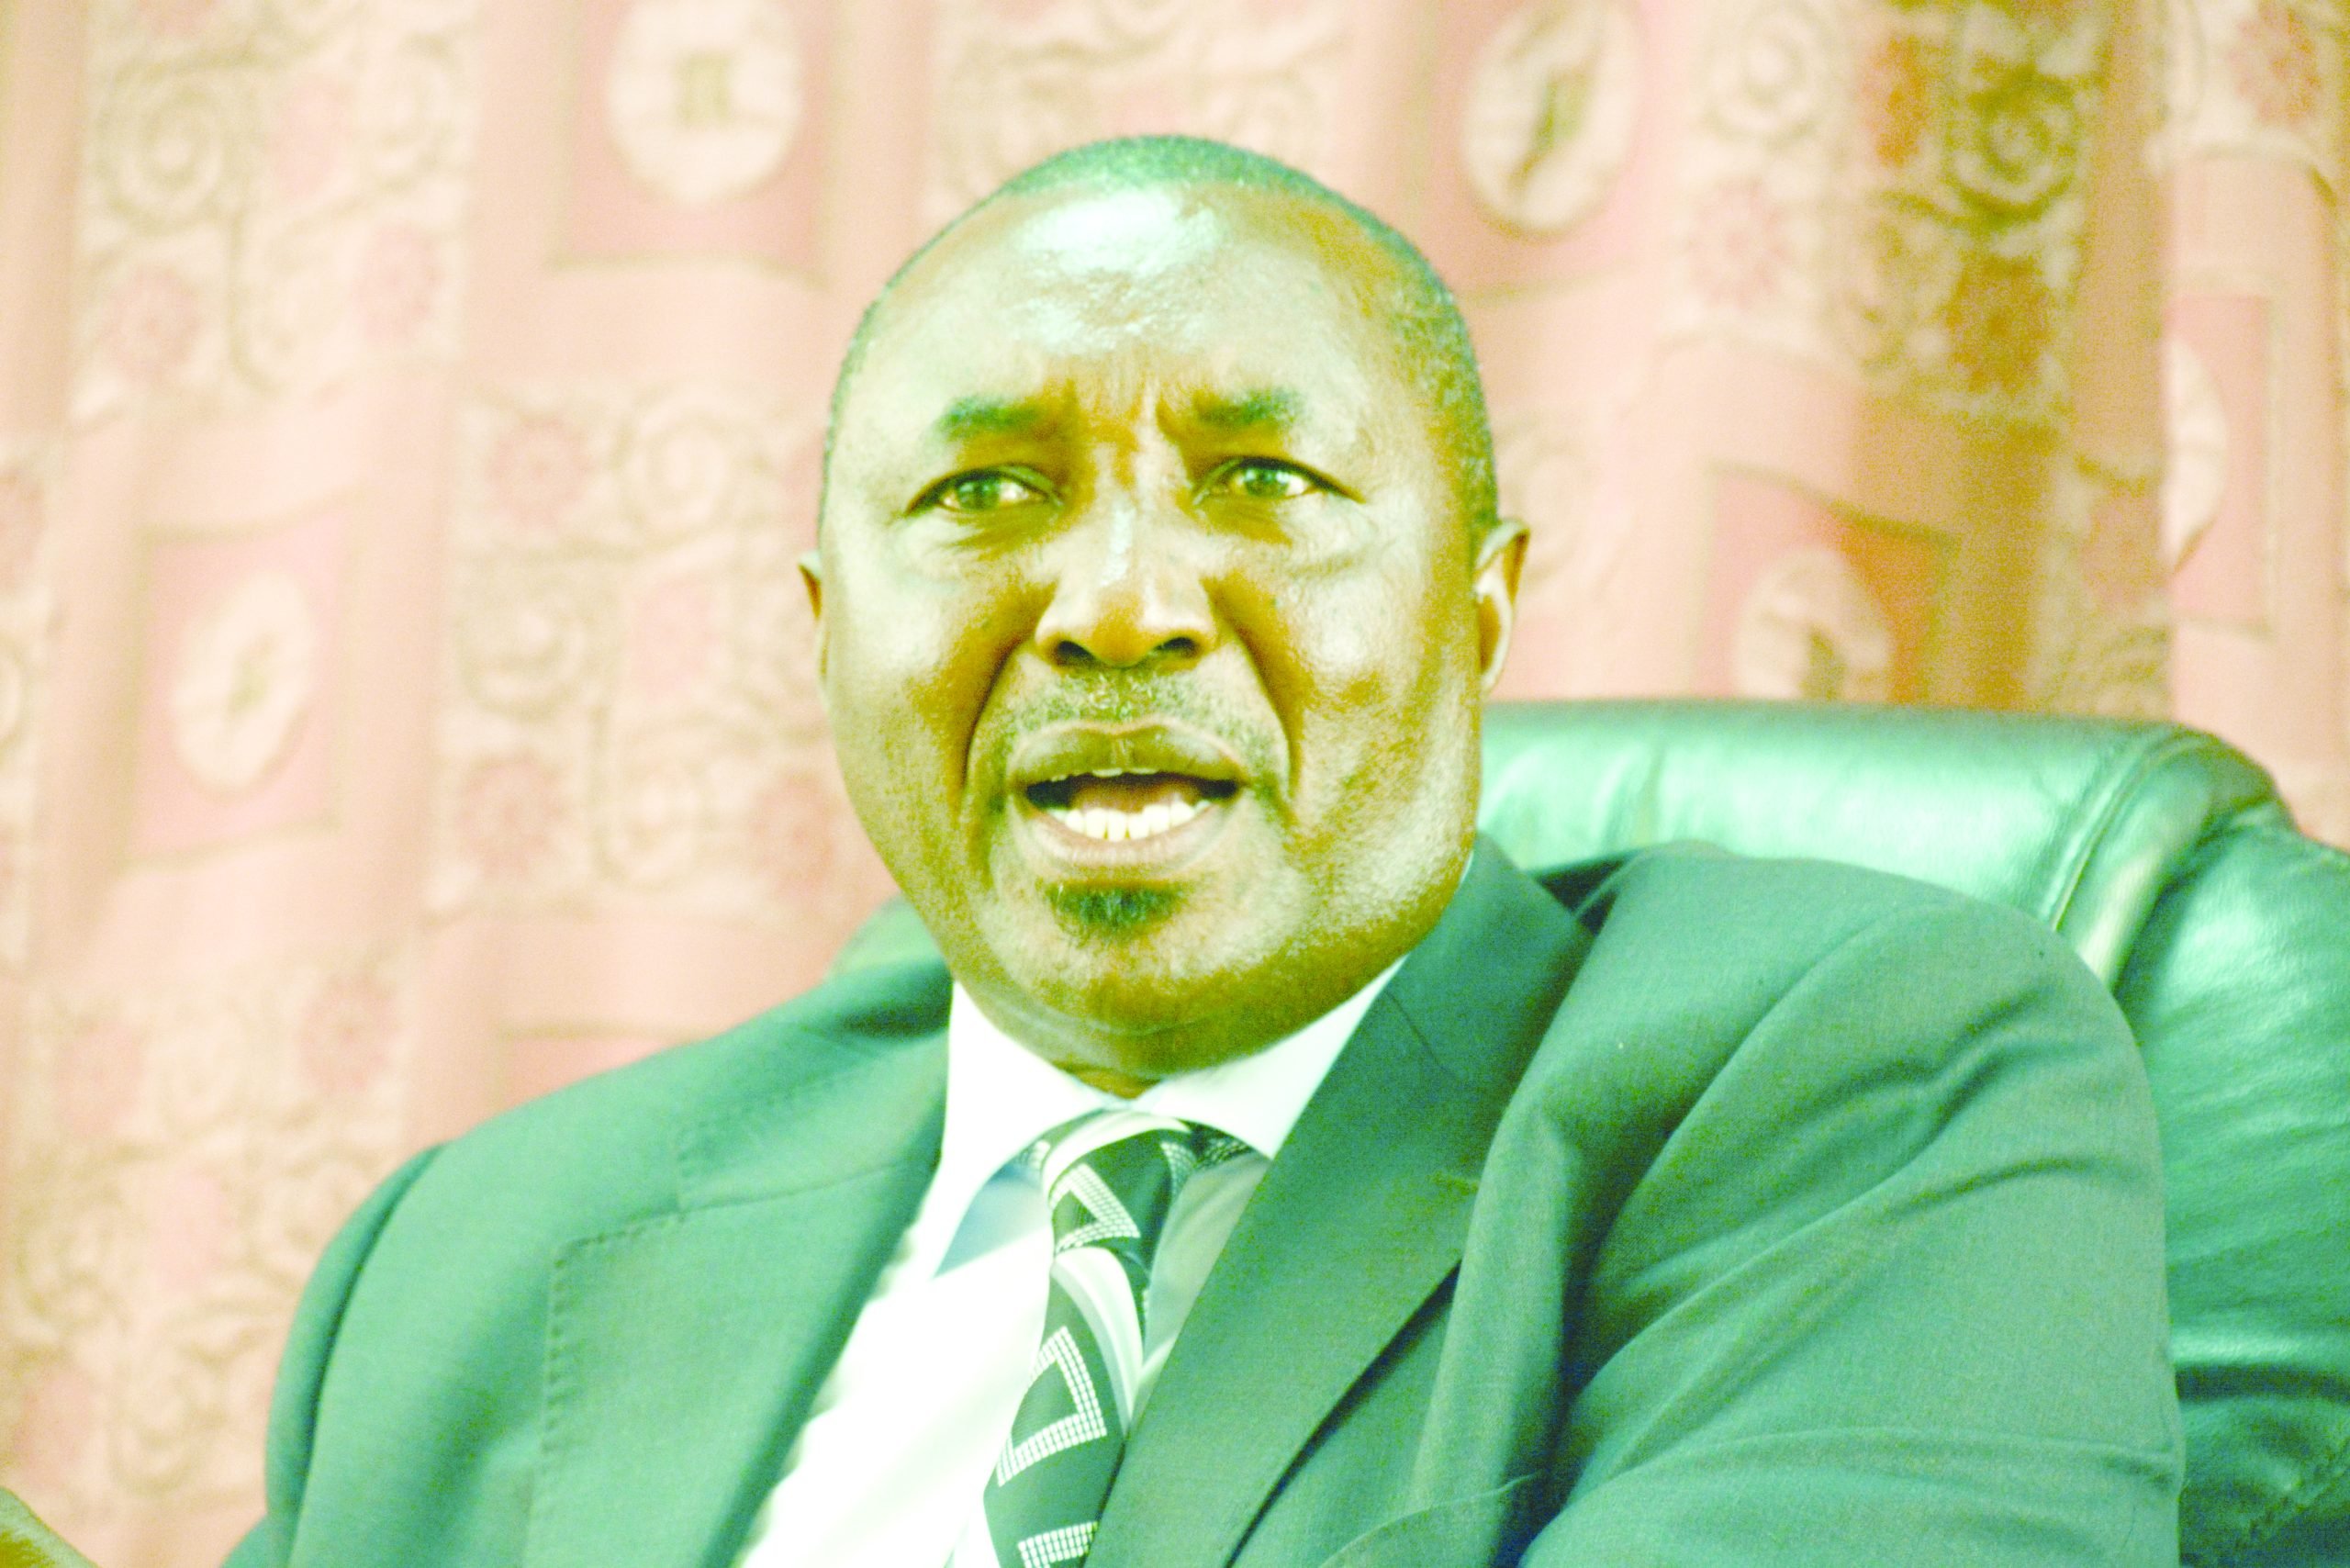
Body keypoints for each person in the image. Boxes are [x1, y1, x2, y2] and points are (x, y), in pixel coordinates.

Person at [2, 136, 2179, 1568]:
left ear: (1476, 606)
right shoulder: (481, 1251)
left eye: (1256, 480)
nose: (1121, 600)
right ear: (830, 629)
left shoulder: (1854, 1069)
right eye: (979, 496)